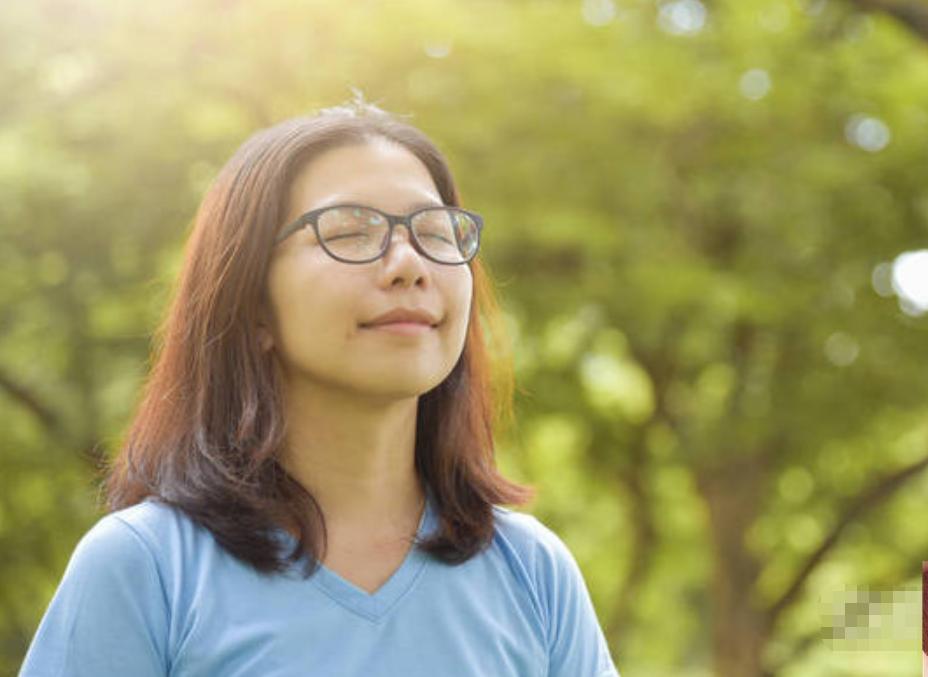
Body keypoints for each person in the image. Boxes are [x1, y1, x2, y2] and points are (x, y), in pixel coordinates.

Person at [19, 100, 619, 676]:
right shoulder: (147, 568)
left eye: (435, 231)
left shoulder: (532, 572)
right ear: (252, 305)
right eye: (351, 231)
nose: (408, 263)